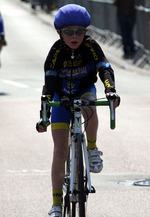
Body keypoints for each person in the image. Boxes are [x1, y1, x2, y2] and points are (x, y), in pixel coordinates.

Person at [36, 4, 120, 217]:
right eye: (69, 32)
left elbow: (104, 68)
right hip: (60, 96)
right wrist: (44, 112)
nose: (75, 36)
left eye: (79, 31)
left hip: (84, 90)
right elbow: (50, 82)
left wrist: (110, 91)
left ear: (86, 31)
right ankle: (56, 204)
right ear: (59, 33)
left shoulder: (91, 46)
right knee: (60, 151)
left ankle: (91, 149)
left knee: (90, 106)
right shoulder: (56, 51)